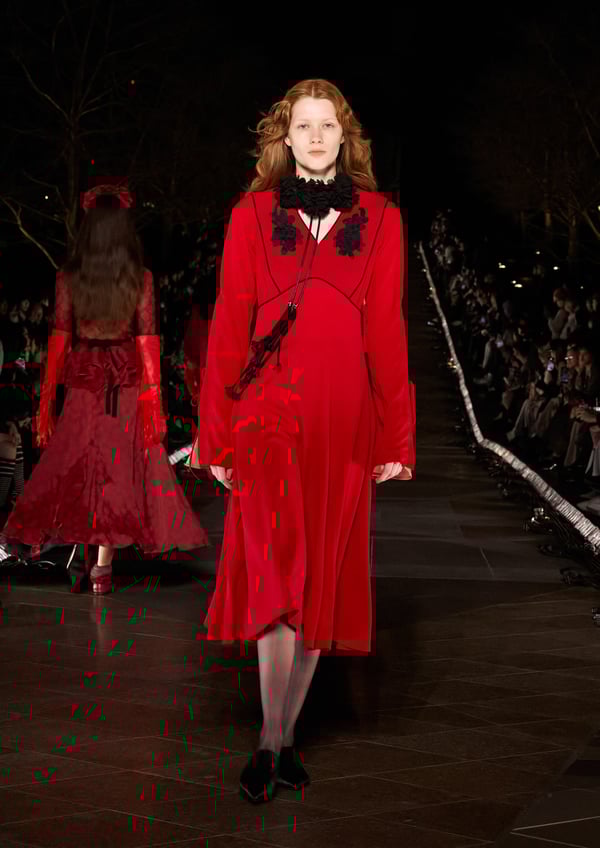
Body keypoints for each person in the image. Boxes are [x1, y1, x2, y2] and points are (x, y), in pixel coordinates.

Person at [187, 79, 415, 804]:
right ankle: (269, 740)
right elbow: (229, 323)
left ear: (346, 137)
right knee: (273, 574)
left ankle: (282, 741)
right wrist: (215, 438)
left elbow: (387, 331)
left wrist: (398, 435)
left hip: (345, 417)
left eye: (328, 126)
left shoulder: (382, 218)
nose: (316, 138)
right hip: (267, 416)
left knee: (320, 577)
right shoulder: (251, 214)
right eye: (304, 126)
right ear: (284, 138)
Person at [0, 183, 208, 590]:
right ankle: (102, 567)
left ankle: (82, 559)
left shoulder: (70, 277)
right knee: (116, 470)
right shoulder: (140, 279)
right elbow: (147, 341)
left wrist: (47, 403)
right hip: (124, 383)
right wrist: (154, 403)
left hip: (84, 381)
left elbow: (59, 339)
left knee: (79, 464)